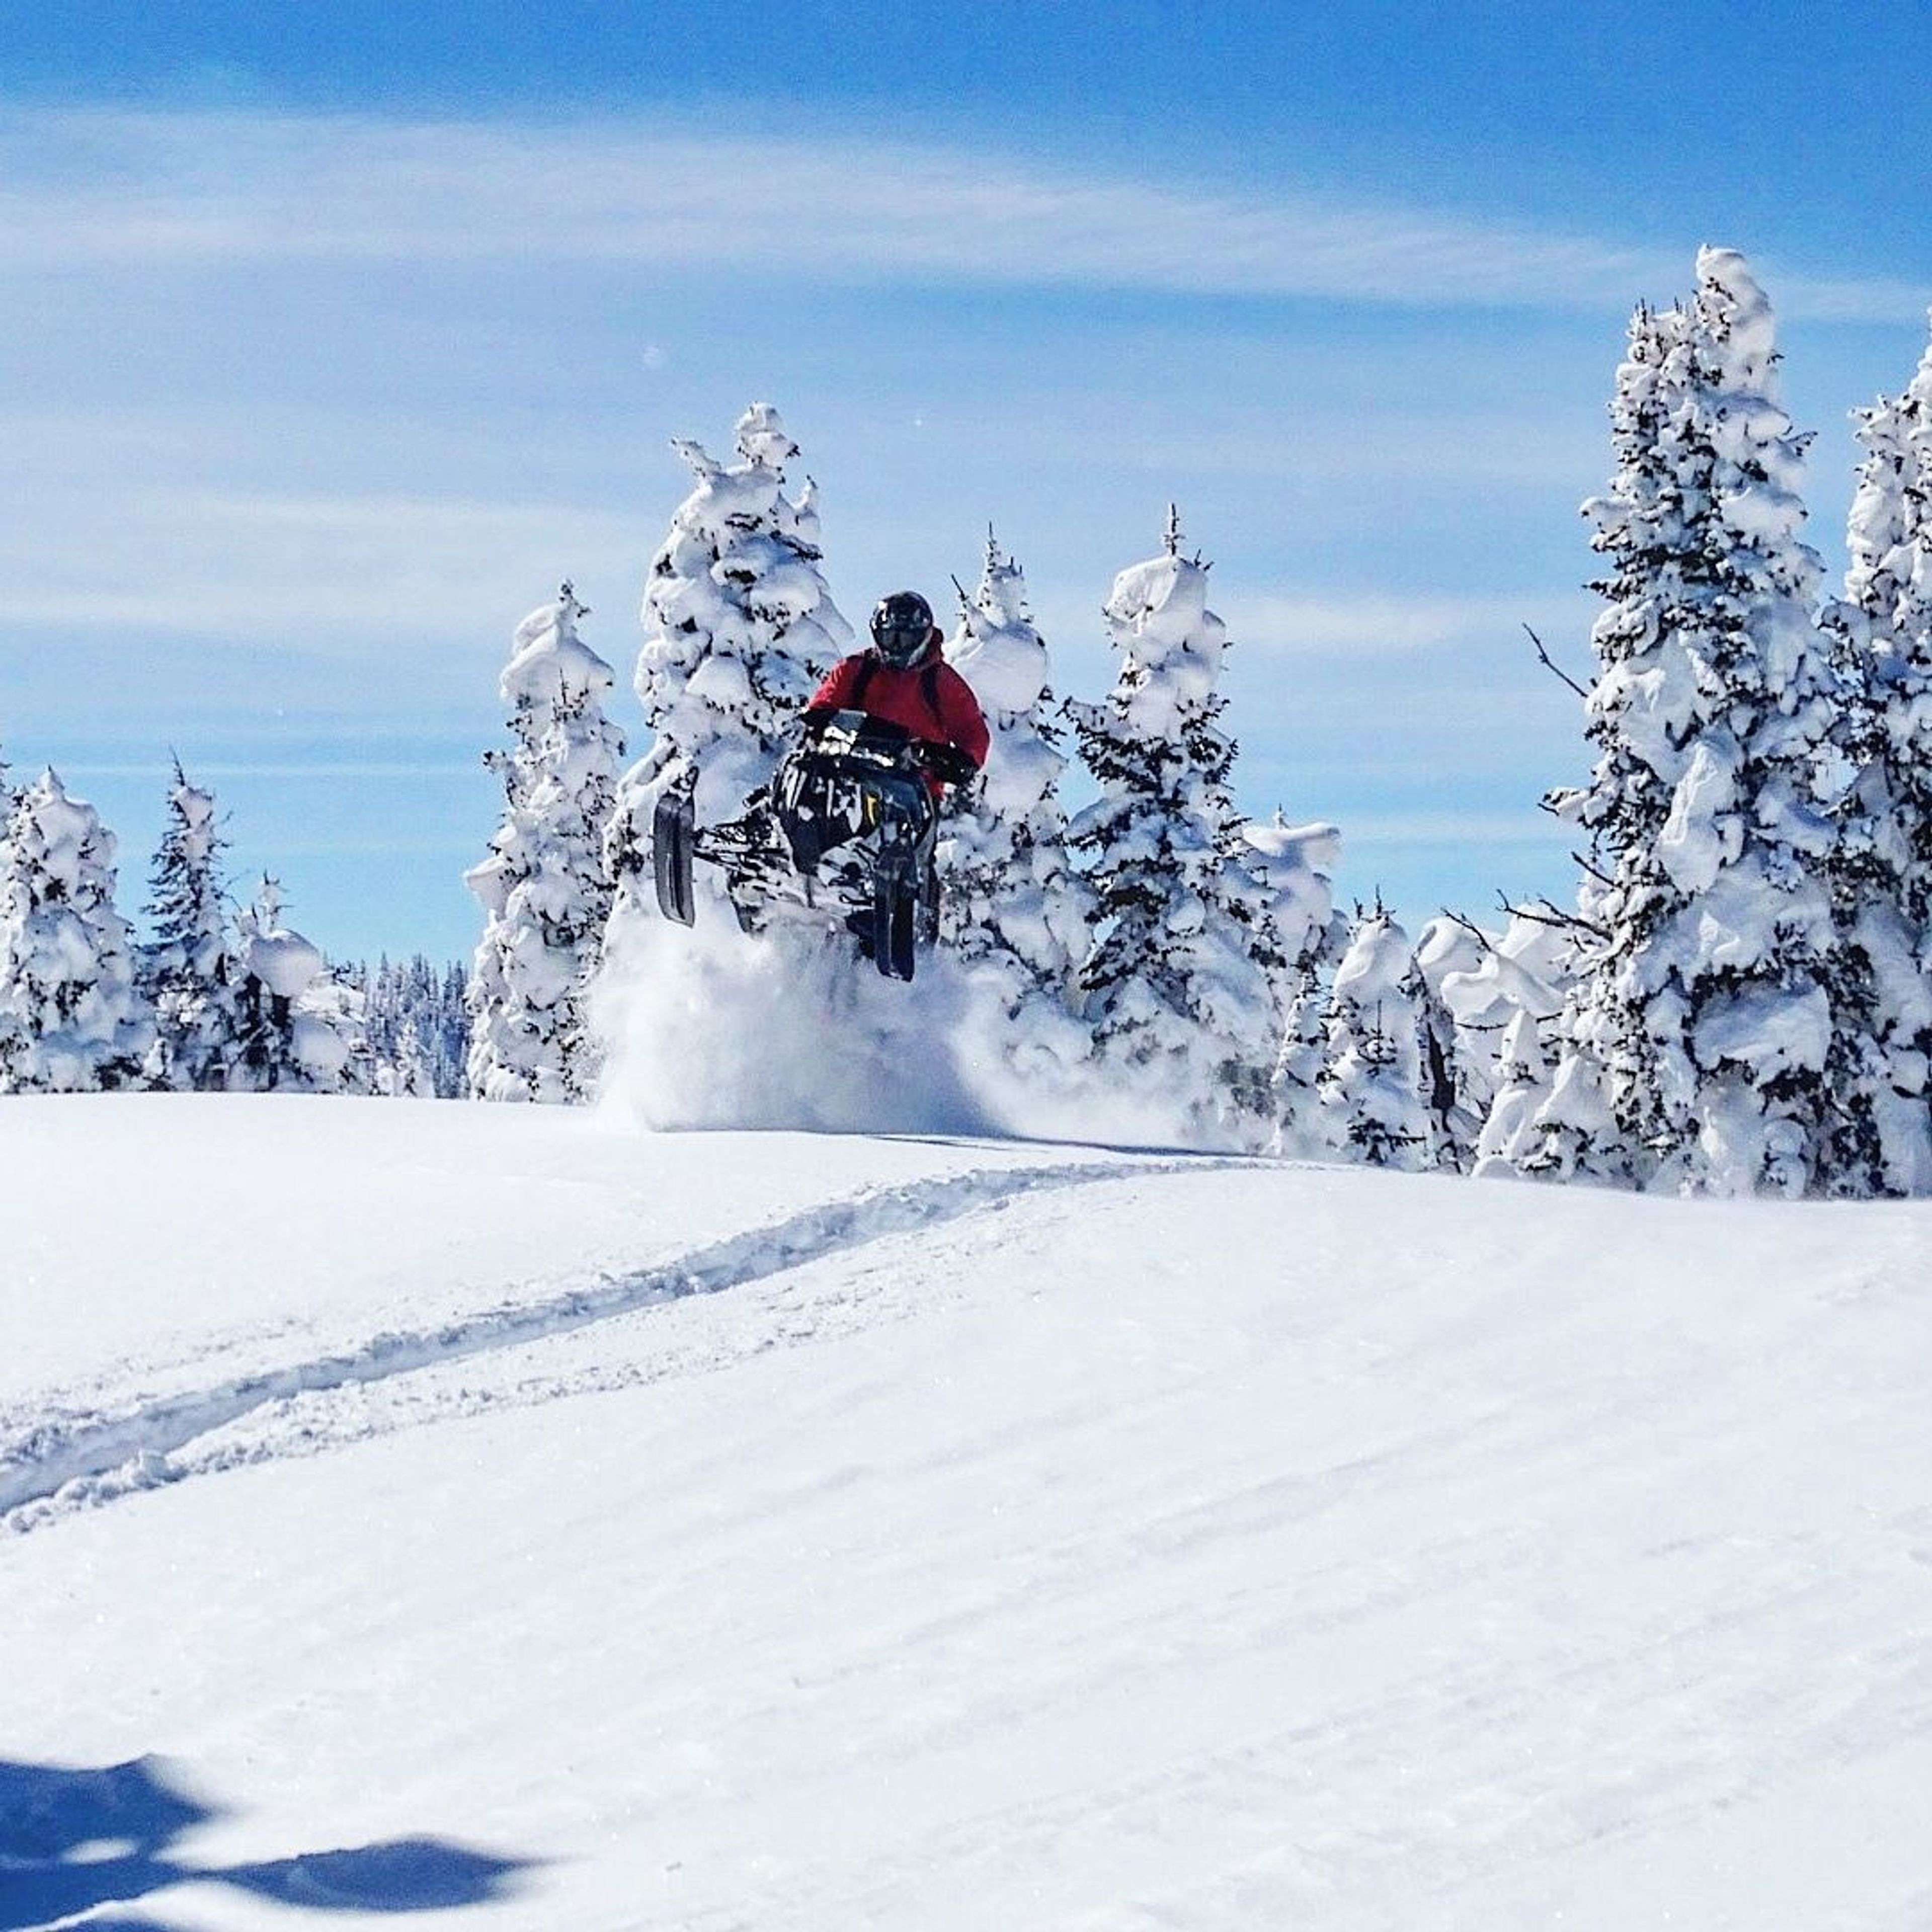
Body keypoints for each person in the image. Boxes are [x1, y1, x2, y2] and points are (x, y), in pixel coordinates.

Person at [802, 590, 990, 790]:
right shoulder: (856, 670)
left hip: (914, 787)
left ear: (923, 637)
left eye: (905, 639)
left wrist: (955, 760)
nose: (897, 647)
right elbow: (824, 706)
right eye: (890, 637)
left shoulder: (941, 681)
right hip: (852, 777)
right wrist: (818, 722)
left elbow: (972, 730)